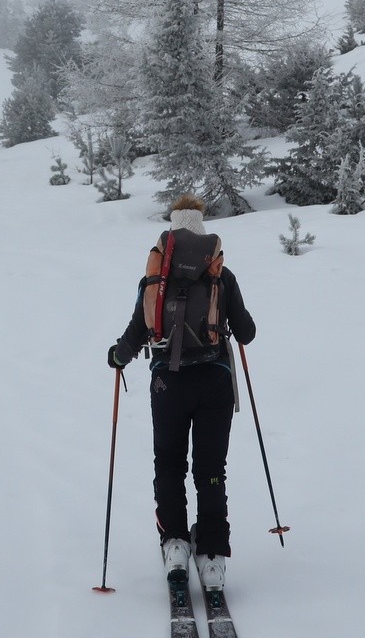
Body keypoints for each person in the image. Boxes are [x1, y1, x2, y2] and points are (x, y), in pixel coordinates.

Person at [106, 194, 256, 592]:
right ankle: (211, 557)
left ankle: (174, 545)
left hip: (167, 385)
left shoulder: (156, 277)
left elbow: (137, 330)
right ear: (203, 228)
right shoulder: (222, 274)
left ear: (171, 229)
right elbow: (247, 333)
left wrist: (117, 357)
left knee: (169, 464)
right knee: (210, 471)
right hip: (215, 383)